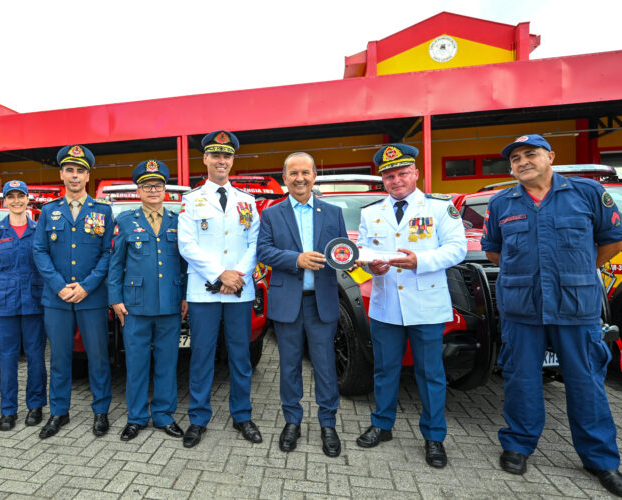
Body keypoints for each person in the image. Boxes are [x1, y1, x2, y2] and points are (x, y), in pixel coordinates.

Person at [482, 135, 622, 498]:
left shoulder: (586, 193)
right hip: (522, 308)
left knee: (587, 383)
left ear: (550, 156)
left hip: (575, 307)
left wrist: (578, 271)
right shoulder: (503, 202)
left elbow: (613, 242)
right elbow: (493, 251)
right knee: (521, 380)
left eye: (530, 154)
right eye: (515, 158)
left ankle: (601, 460)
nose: (522, 162)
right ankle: (518, 445)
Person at [354, 144, 466, 468]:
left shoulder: (439, 208)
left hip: (426, 304)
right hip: (385, 305)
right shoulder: (370, 213)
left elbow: (456, 249)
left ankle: (434, 437)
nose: (396, 180)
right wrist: (370, 267)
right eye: (389, 175)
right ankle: (382, 424)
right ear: (382, 180)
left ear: (415, 173)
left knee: (430, 373)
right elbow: (361, 255)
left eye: (402, 173)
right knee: (384, 369)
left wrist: (420, 260)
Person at [256, 152, 346, 457]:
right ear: (285, 178)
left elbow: (342, 252)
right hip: (287, 303)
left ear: (314, 175)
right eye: (293, 173)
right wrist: (296, 259)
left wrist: (360, 265)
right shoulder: (271, 214)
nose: (299, 178)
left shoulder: (333, 213)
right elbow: (264, 251)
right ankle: (292, 421)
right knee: (289, 366)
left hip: (322, 303)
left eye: (305, 172)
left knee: (325, 366)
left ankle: (328, 424)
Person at [178, 130, 261, 448]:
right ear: (206, 159)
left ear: (232, 160)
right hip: (205, 291)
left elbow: (255, 243)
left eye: (226, 155)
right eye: (215, 155)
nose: (221, 160)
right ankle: (198, 418)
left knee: (241, 357)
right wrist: (220, 274)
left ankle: (242, 415)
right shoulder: (191, 200)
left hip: (239, 289)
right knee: (201, 357)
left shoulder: (248, 202)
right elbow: (186, 244)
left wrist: (237, 274)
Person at [32, 145, 114, 439]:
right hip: (57, 299)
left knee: (98, 357)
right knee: (60, 358)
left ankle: (101, 411)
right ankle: (59, 412)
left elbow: (108, 253)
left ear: (88, 176)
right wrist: (59, 286)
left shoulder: (103, 211)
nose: (75, 176)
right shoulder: (48, 211)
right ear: (61, 174)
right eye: (70, 170)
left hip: (91, 298)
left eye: (80, 171)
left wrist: (86, 286)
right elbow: (39, 251)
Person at [107, 160, 187, 441]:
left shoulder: (179, 221)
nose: (153, 190)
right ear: (138, 190)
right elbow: (115, 264)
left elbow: (185, 264)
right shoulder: (126, 221)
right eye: (146, 186)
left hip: (170, 303)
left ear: (165, 189)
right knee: (137, 364)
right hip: (135, 305)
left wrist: (186, 296)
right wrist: (115, 299)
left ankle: (164, 415)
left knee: (167, 362)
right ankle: (137, 417)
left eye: (158, 185)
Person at [0, 180, 47, 431]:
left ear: (28, 199)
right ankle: (8, 410)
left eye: (21, 196)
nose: (16, 201)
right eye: (11, 197)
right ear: (4, 201)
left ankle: (36, 406)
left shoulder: (40, 231)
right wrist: (6, 280)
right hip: (4, 306)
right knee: (6, 359)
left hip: (34, 304)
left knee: (36, 358)